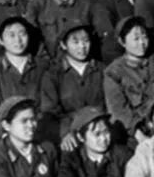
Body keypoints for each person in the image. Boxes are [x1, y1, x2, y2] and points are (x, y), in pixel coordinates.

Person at [0, 16, 49, 136]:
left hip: (38, 130)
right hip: (4, 133)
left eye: (22, 34)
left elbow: (50, 105)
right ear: (0, 40)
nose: (18, 40)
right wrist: (3, 132)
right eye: (11, 35)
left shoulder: (43, 66)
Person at [40, 20, 106, 152]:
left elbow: (109, 104)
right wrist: (65, 132)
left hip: (100, 130)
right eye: (75, 42)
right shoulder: (53, 74)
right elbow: (50, 111)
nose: (82, 46)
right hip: (70, 132)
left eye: (86, 41)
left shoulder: (102, 70)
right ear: (63, 45)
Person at [103, 16, 154, 143]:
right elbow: (118, 111)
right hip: (135, 135)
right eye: (136, 39)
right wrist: (139, 135)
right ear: (122, 42)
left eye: (144, 37)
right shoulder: (113, 72)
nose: (142, 43)